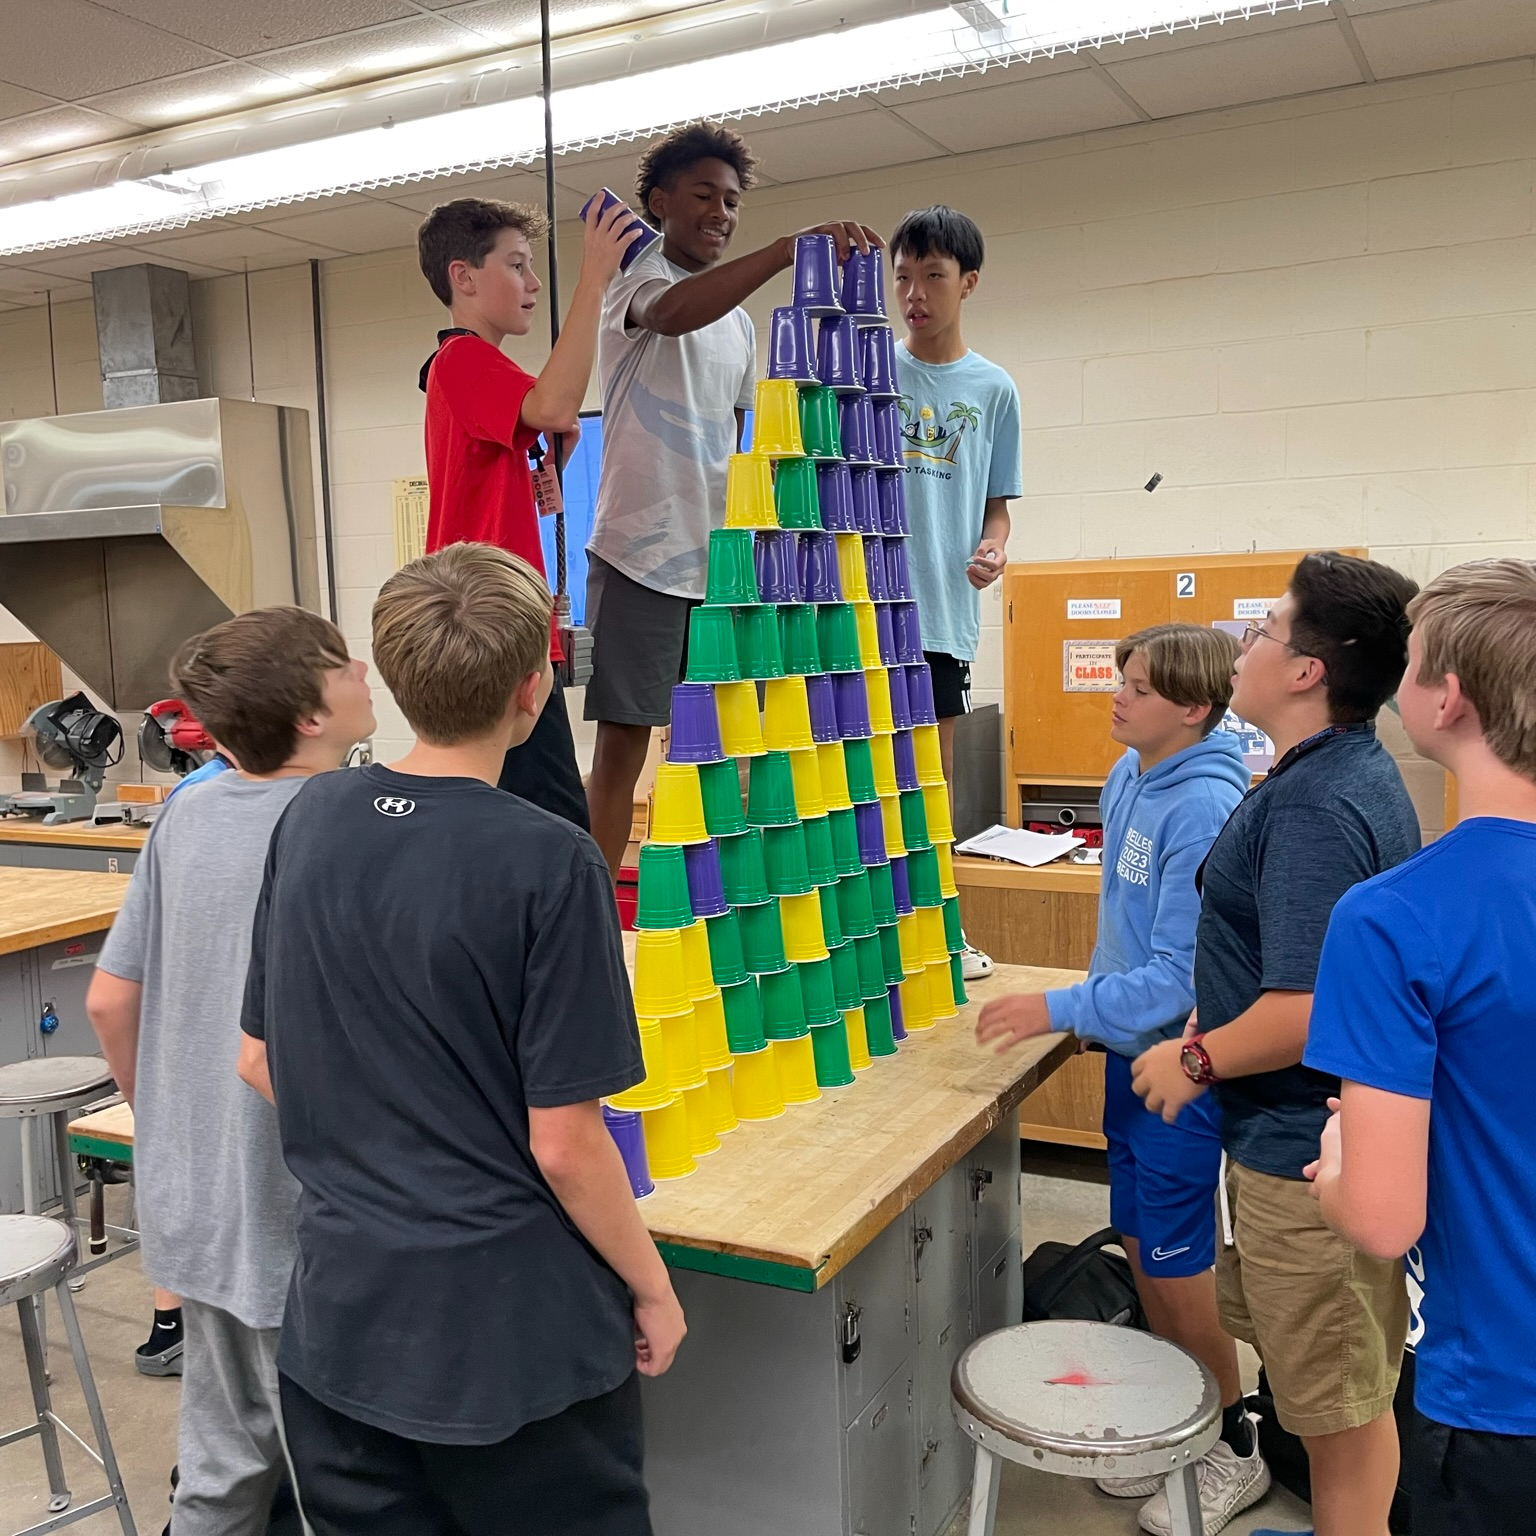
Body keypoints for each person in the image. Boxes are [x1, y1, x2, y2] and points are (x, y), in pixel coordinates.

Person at [238, 543, 685, 1536]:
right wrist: (651, 1288)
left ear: (390, 679)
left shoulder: (310, 816)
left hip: (341, 1329)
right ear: (535, 692)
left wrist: (393, 1137)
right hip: (510, 1342)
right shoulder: (550, 860)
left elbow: (260, 1059)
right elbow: (567, 1144)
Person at [1131, 552, 1422, 1536]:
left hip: (1309, 1163)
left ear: (1306, 671)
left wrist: (1194, 1058)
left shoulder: (1315, 807)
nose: (1241, 647)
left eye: (1259, 632)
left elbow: (1302, 1010)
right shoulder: (1319, 772)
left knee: (1342, 1414)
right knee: (1323, 1387)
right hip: (1286, 1147)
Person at [87, 607, 376, 1535]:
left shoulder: (188, 810)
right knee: (337, 1482)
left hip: (191, 1197)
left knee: (220, 1469)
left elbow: (107, 1001)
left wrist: (170, 1120)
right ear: (308, 718)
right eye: (341, 666)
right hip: (290, 1205)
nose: (363, 669)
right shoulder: (345, 827)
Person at [977, 624, 1264, 1535]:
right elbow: (1123, 936)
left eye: (1135, 687)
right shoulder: (1132, 772)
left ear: (1191, 707)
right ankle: (1174, 1422)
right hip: (1126, 1060)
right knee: (1141, 1247)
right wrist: (1090, 1009)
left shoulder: (1207, 809)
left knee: (1181, 1270)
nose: (1114, 695)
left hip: (1182, 1074)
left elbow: (1185, 975)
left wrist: (1059, 1008)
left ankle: (1234, 1441)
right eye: (1119, 678)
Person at [582, 119, 880, 878]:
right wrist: (785, 250)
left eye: (733, 201)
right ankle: (585, 914)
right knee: (623, 748)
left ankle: (714, 907)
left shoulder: (743, 327)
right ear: (660, 202)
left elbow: (738, 443)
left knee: (715, 749)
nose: (721, 211)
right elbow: (676, 314)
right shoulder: (636, 283)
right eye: (704, 195)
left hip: (718, 567)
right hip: (639, 557)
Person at [1305, 559, 1536, 1536]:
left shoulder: (1395, 918)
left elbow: (1381, 1220)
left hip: (1497, 1396)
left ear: (1447, 699)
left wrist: (1341, 1161)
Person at [416, 192, 640, 829]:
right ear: (464, 276)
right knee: (557, 821)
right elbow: (552, 407)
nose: (533, 282)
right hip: (491, 627)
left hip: (500, 625)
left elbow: (548, 417)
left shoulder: (476, 368)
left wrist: (544, 463)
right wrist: (594, 274)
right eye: (517, 265)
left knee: (521, 814)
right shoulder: (461, 360)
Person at [890, 205, 1021, 980]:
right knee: (856, 778)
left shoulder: (993, 389)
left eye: (933, 276)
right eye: (903, 277)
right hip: (863, 611)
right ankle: (871, 933)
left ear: (967, 283)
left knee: (926, 784)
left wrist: (994, 549)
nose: (915, 293)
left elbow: (996, 504)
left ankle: (937, 931)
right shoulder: (873, 370)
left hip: (940, 616)